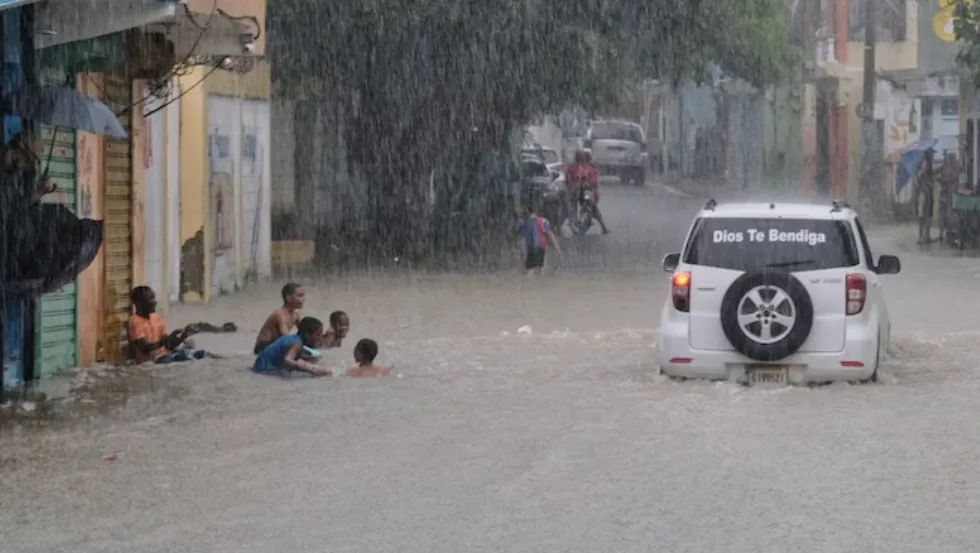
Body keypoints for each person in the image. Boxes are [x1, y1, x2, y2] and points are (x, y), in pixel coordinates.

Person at [128, 285, 209, 364]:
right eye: (150, 299)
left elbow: (168, 346)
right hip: (152, 361)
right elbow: (144, 348)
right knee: (191, 356)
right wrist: (166, 340)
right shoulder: (135, 321)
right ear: (139, 304)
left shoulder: (156, 318)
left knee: (201, 353)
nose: (154, 302)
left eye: (153, 298)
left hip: (165, 356)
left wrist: (182, 336)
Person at [251, 316, 332, 377]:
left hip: (259, 366)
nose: (320, 338)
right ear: (307, 335)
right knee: (308, 376)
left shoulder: (292, 338)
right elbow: (287, 360)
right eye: (318, 335)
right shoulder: (297, 343)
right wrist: (310, 369)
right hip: (263, 370)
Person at [565, 149, 609, 234]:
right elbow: (569, 180)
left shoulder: (584, 168)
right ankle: (603, 227)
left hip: (584, 192)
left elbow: (592, 182)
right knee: (574, 206)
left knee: (590, 208)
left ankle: (603, 227)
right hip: (579, 192)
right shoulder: (581, 168)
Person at [254, 282, 305, 354]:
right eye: (300, 296)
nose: (303, 299)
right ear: (289, 298)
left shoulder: (296, 314)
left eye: (303, 296)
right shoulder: (280, 315)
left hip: (276, 344)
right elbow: (286, 339)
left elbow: (303, 332)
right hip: (263, 346)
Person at [517, 205, 562, 276]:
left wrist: (517, 248)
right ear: (534, 213)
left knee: (531, 269)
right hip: (540, 247)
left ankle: (529, 283)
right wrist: (556, 247)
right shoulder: (543, 221)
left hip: (530, 248)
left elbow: (519, 236)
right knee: (537, 269)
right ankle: (535, 283)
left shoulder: (523, 222)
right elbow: (550, 234)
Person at [914, 151, 937, 245]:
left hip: (928, 197)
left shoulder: (930, 173)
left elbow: (932, 184)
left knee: (928, 217)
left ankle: (926, 235)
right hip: (922, 198)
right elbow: (918, 186)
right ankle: (921, 236)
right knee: (922, 217)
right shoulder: (920, 174)